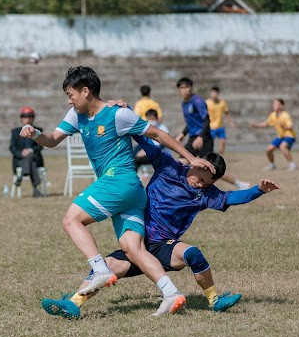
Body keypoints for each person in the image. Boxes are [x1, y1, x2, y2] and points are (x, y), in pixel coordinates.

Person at [21, 66, 216, 317]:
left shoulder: (118, 115)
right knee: (133, 249)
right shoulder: (75, 115)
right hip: (133, 193)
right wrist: (35, 132)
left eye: (71, 94)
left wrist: (190, 158)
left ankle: (99, 269)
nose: (69, 100)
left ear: (85, 91)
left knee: (71, 221)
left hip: (119, 181)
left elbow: (157, 133)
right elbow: (52, 138)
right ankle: (171, 293)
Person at [43, 134, 280, 319]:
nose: (200, 184)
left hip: (165, 245)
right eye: (201, 177)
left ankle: (215, 300)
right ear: (197, 164)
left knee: (192, 253)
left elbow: (232, 198)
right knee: (105, 268)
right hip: (138, 241)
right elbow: (147, 141)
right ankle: (73, 304)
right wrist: (128, 119)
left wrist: (258, 190)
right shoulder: (169, 167)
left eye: (206, 183)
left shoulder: (207, 194)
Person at [176, 78, 250, 189]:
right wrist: (182, 134)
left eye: (186, 87)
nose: (184, 90)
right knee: (181, 162)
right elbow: (192, 122)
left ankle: (239, 184)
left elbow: (206, 120)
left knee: (211, 167)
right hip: (193, 138)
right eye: (182, 88)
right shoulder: (184, 103)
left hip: (204, 137)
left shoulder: (197, 101)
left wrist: (200, 137)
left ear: (191, 88)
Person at [249, 98, 297, 171]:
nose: (274, 106)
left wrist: (285, 127)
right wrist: (255, 125)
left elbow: (291, 127)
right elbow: (266, 124)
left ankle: (292, 164)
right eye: (273, 104)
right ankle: (272, 164)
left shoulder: (285, 115)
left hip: (289, 136)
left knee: (282, 146)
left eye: (276, 104)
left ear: (281, 105)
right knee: (269, 149)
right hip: (280, 137)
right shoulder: (272, 115)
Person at [9, 106, 45, 197]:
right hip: (20, 160)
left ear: (33, 118)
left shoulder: (38, 131)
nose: (27, 119)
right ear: (21, 118)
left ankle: (21, 175)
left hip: (35, 158)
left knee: (30, 156)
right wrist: (21, 153)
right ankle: (36, 188)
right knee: (30, 160)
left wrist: (30, 150)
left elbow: (40, 146)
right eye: (25, 117)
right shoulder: (15, 132)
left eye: (30, 117)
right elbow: (12, 147)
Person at [207, 86, 237, 155]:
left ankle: (220, 157)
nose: (214, 94)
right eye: (212, 92)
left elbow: (227, 114)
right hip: (211, 127)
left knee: (222, 142)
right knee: (210, 145)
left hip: (220, 127)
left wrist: (231, 122)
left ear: (218, 93)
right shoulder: (207, 103)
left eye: (215, 92)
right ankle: (210, 158)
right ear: (210, 93)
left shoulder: (222, 103)